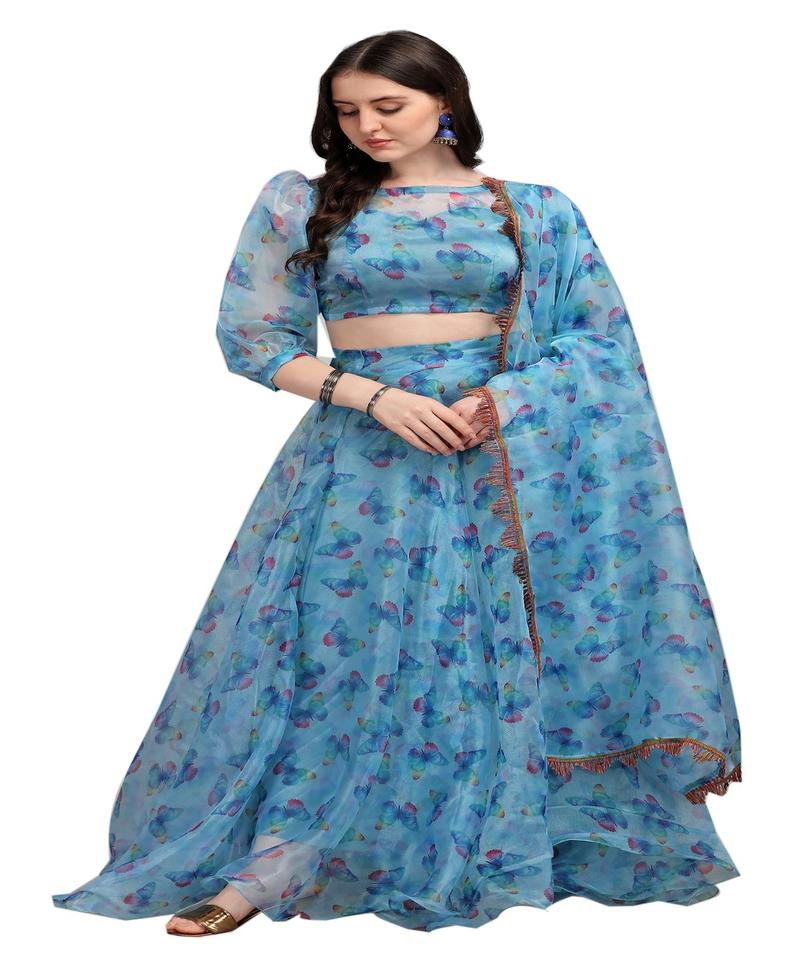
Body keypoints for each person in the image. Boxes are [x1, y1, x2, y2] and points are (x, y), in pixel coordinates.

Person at [51, 29, 743, 936]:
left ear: (444, 102)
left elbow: (597, 342)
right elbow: (253, 341)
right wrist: (375, 398)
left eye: (389, 105)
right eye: (347, 111)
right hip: (359, 459)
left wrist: (498, 401)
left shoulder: (535, 209)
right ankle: (277, 858)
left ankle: (488, 840)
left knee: (485, 654)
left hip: (501, 463)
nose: (367, 126)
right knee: (329, 651)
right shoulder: (301, 202)